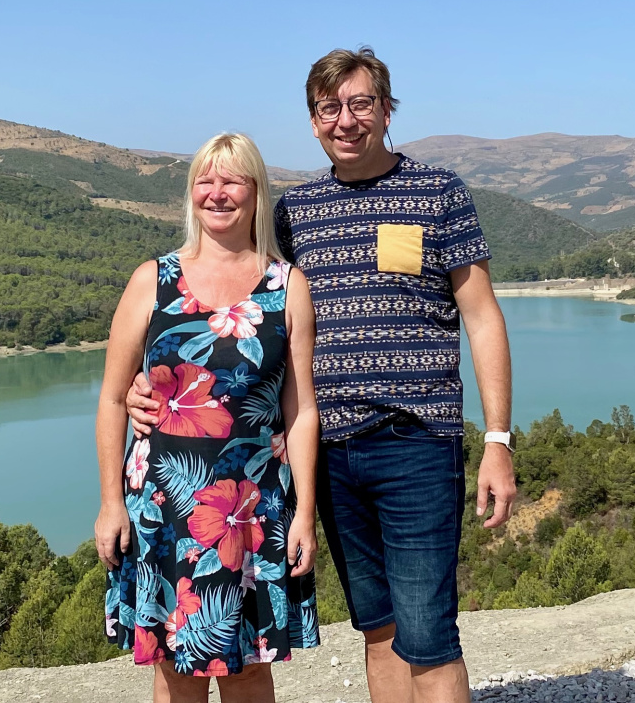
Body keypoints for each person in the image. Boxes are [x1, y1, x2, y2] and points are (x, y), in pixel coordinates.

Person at [129, 48, 517, 703]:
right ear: (313, 122)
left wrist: (499, 441)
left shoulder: (439, 193)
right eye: (329, 108)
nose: (346, 120)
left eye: (361, 103)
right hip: (330, 457)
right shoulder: (296, 211)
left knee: (429, 634)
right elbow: (244, 314)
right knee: (380, 629)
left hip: (417, 444)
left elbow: (482, 318)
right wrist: (158, 385)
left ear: (387, 110)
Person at [94, 132, 322, 703]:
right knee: (173, 666)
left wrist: (305, 515)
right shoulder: (152, 280)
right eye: (206, 179)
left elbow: (301, 413)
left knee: (248, 666)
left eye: (232, 180)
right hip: (164, 509)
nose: (217, 193)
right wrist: (110, 504)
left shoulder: (287, 287)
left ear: (256, 193)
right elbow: (111, 397)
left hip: (252, 510)